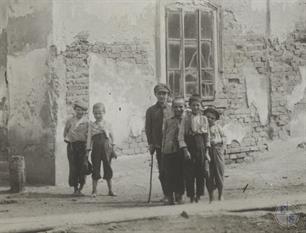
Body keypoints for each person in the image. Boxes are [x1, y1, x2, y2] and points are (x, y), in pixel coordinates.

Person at [178, 94, 210, 203]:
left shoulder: (204, 119)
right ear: (189, 106)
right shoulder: (185, 119)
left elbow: (207, 137)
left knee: (200, 172)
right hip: (189, 147)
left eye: (198, 105)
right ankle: (191, 196)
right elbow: (181, 136)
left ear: (201, 106)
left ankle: (199, 195)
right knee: (189, 174)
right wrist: (185, 150)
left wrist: (206, 152)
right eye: (193, 105)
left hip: (200, 146)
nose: (196, 107)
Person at [145, 83, 172, 202]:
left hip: (172, 146)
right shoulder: (151, 111)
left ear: (168, 95)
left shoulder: (172, 109)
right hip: (159, 145)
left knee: (172, 170)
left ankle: (174, 194)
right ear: (155, 94)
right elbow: (148, 128)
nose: (162, 96)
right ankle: (166, 194)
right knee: (162, 171)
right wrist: (151, 144)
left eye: (164, 94)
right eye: (160, 93)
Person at [86, 102, 117, 198]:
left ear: (104, 112)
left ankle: (110, 190)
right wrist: (88, 150)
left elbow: (112, 136)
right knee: (96, 168)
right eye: (95, 113)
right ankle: (94, 191)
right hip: (96, 149)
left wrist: (113, 148)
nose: (97, 115)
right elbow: (89, 138)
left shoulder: (107, 124)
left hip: (107, 148)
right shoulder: (92, 125)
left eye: (100, 113)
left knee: (108, 167)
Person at [162, 97, 186, 205]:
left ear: (185, 107)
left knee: (180, 173)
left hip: (181, 150)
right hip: (169, 150)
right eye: (175, 107)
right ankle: (169, 195)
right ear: (172, 108)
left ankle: (179, 195)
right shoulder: (168, 121)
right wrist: (163, 149)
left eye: (181, 107)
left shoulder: (187, 120)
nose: (178, 109)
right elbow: (164, 136)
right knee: (168, 174)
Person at [64, 100, 89, 195]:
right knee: (73, 167)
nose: (80, 112)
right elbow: (65, 132)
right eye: (78, 110)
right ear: (75, 110)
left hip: (83, 146)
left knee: (83, 167)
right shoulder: (70, 120)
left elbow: (89, 136)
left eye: (82, 110)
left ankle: (81, 189)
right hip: (72, 146)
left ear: (84, 111)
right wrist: (70, 139)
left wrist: (87, 149)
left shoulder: (87, 122)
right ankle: (75, 188)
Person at [203, 106, 226, 202]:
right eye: (207, 117)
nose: (210, 120)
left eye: (212, 118)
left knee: (219, 172)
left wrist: (220, 142)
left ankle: (220, 194)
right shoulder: (203, 128)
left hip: (217, 150)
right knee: (208, 174)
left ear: (216, 119)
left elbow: (224, 137)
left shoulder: (218, 127)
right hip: (207, 151)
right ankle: (211, 196)